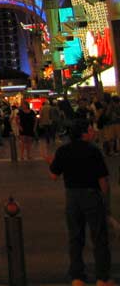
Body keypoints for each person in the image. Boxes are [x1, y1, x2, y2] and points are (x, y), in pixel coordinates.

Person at [48, 118, 112, 286]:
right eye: (90, 129)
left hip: (72, 197)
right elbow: (102, 180)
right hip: (91, 195)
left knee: (75, 237)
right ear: (84, 133)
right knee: (99, 237)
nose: (93, 132)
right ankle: (102, 277)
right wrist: (105, 201)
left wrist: (51, 163)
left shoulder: (63, 151)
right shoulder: (93, 150)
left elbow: (54, 175)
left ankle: (77, 277)